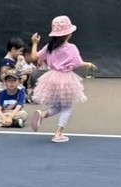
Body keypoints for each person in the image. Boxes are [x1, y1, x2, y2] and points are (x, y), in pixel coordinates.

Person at [28, 15, 97, 143]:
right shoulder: (72, 48)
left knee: (58, 106)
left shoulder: (49, 46)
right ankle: (58, 133)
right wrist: (88, 64)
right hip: (66, 79)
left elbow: (34, 57)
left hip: (51, 78)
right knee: (67, 107)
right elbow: (78, 63)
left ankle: (42, 114)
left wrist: (35, 43)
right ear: (68, 34)